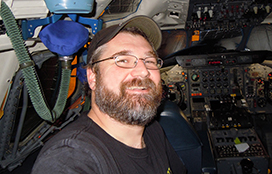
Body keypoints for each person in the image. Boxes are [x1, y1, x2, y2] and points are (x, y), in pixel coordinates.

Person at [31, 15, 186, 174]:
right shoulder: (68, 157)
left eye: (149, 61)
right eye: (123, 60)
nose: (143, 71)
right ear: (93, 77)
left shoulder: (153, 130)